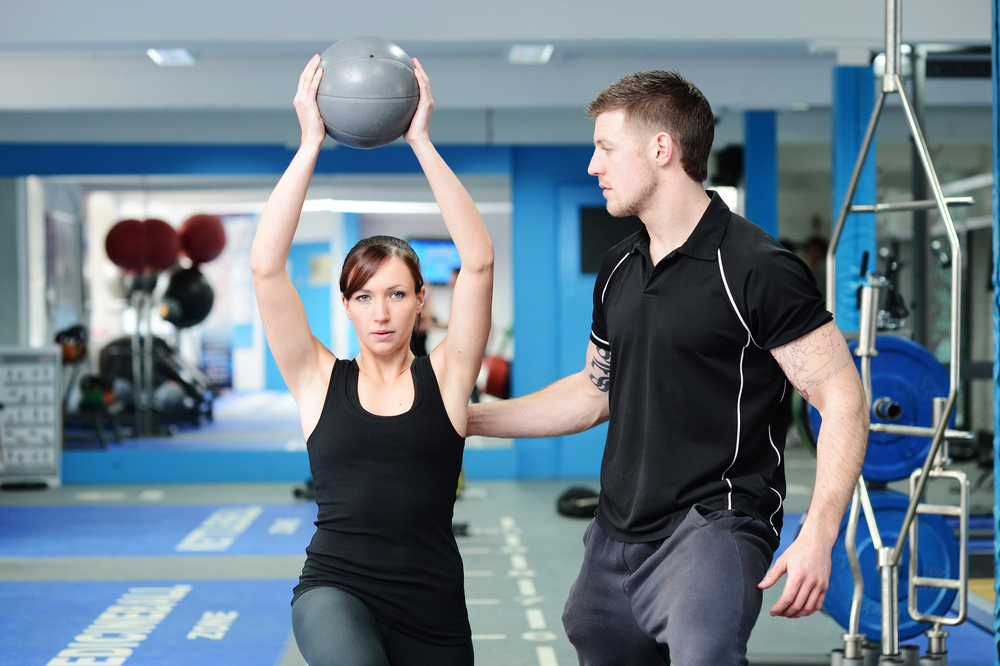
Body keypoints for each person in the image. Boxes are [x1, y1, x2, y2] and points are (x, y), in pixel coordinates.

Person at [467, 70, 869, 665]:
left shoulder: (756, 267)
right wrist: (469, 419)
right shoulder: (619, 266)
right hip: (616, 533)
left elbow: (843, 397)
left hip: (713, 525)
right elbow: (593, 391)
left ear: (662, 149)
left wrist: (819, 533)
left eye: (605, 148)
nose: (592, 166)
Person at [251, 55, 493, 666]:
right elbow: (265, 266)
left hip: (433, 607)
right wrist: (310, 143)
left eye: (395, 294)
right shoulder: (316, 377)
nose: (380, 312)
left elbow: (480, 261)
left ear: (420, 301)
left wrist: (421, 141)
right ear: (347, 306)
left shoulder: (447, 376)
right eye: (364, 296)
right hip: (336, 588)